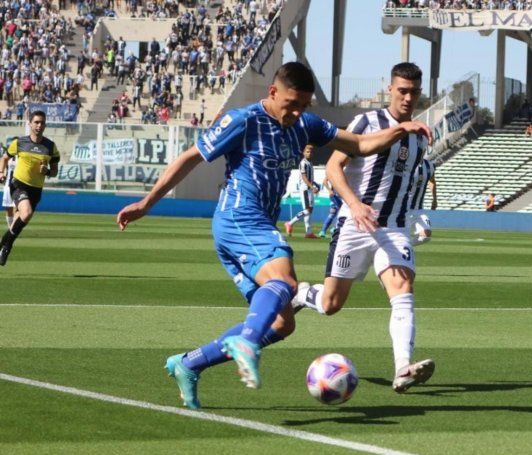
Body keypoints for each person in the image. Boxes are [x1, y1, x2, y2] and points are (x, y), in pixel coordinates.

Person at [115, 62, 432, 409]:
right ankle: (247, 342)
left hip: (257, 224)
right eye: (291, 104)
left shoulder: (305, 124)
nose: (297, 112)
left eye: (304, 105)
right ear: (272, 93)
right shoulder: (244, 120)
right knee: (286, 281)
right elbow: (192, 157)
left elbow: (358, 143)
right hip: (239, 218)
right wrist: (148, 202)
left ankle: (189, 364)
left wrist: (401, 130)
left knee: (282, 323)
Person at [291, 62, 435, 394]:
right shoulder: (366, 122)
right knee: (330, 305)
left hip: (394, 228)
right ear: (390, 88)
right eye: (402, 90)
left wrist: (417, 218)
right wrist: (355, 205)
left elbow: (407, 184)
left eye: (414, 91)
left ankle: (403, 369)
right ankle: (302, 293)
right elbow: (332, 167)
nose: (408, 97)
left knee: (403, 292)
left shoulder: (421, 135)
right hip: (354, 225)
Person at [0, 111, 60, 266]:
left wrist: (46, 171)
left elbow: (54, 171)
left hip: (36, 190)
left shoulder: (50, 147)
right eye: (36, 122)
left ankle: (5, 243)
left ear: (45, 125)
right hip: (18, 185)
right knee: (26, 213)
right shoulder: (20, 142)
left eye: (42, 123)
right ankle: (6, 246)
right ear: (30, 123)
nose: (39, 125)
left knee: (19, 220)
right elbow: (5, 157)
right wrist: (1, 171)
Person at [284, 144, 319, 238]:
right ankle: (290, 223)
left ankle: (308, 232)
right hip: (305, 189)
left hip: (309, 188)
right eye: (307, 151)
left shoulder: (309, 163)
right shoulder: (303, 163)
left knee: (309, 210)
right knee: (307, 210)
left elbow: (309, 177)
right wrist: (312, 187)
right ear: (303, 153)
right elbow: (304, 177)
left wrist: (315, 184)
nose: (309, 153)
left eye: (311, 152)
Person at [408, 158, 436, 246]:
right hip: (403, 209)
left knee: (426, 235)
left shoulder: (429, 165)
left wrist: (434, 198)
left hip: (419, 209)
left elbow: (432, 180)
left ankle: (407, 246)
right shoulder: (407, 163)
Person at [1, 148, 16, 228]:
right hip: (8, 185)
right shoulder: (6, 157)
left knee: (16, 208)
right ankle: (11, 228)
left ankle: (14, 229)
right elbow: (3, 168)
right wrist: (2, 175)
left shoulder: (24, 157)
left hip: (20, 186)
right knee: (8, 208)